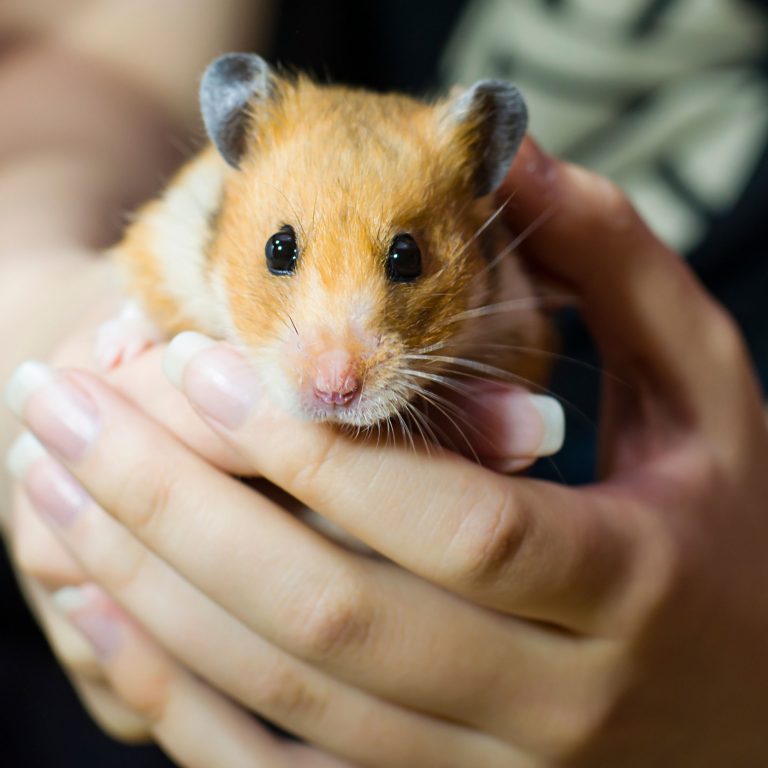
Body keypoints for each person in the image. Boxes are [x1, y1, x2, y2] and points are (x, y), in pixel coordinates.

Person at [2, 1, 767, 765]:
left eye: (405, 263)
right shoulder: (196, 217)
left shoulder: (500, 293)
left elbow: (521, 343)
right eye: (280, 253)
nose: (334, 375)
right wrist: (41, 308)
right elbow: (95, 57)